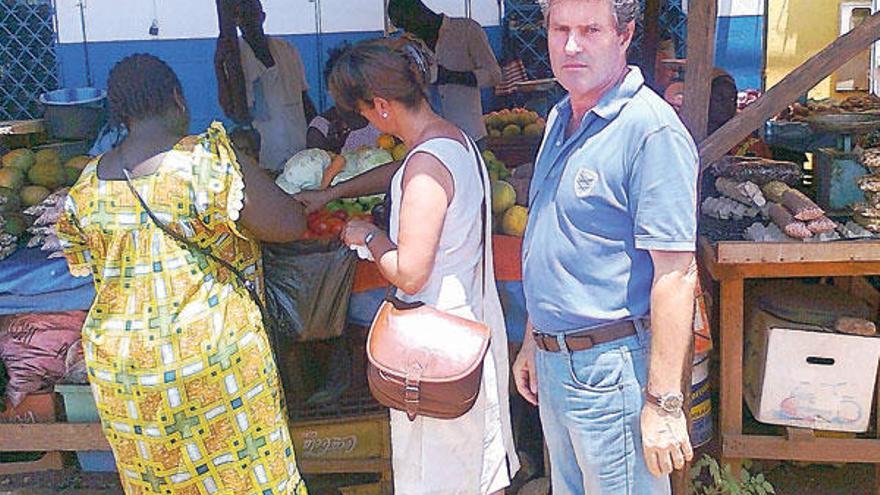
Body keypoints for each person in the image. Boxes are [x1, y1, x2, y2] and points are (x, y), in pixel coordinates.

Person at [56, 54, 309, 495]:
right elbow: (288, 225)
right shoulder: (206, 160)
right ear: (177, 97)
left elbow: (93, 271)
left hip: (127, 369)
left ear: (119, 113)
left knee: (161, 482)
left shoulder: (86, 188)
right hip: (211, 357)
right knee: (246, 474)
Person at [511, 0, 699, 494]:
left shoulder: (649, 130)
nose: (571, 45)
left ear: (625, 34)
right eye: (560, 29)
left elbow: (677, 274)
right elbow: (556, 238)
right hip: (558, 364)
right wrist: (536, 336)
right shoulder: (559, 119)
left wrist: (663, 403)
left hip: (611, 371)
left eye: (591, 29)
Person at [328, 38, 519, 494]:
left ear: (381, 104)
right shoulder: (456, 142)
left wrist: (369, 236)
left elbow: (410, 271)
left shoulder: (424, 165)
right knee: (471, 469)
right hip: (465, 331)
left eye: (367, 113)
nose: (369, 122)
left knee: (444, 473)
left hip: (436, 347)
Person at [217, 0, 316, 171]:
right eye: (242, 15)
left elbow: (304, 97)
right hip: (265, 155)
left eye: (253, 14)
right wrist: (218, 64)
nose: (249, 20)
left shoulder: (286, 49)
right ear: (236, 20)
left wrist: (318, 131)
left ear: (262, 17)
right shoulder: (233, 57)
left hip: (300, 146)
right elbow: (232, 111)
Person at [387, 0, 502, 142]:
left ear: (421, 13)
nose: (408, 31)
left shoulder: (467, 30)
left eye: (408, 25)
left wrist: (449, 76)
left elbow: (494, 75)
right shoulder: (412, 45)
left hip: (470, 134)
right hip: (433, 138)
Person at [307, 43, 382, 154]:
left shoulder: (378, 117)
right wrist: (335, 148)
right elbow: (316, 166)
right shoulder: (321, 129)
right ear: (330, 89)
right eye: (340, 87)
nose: (348, 94)